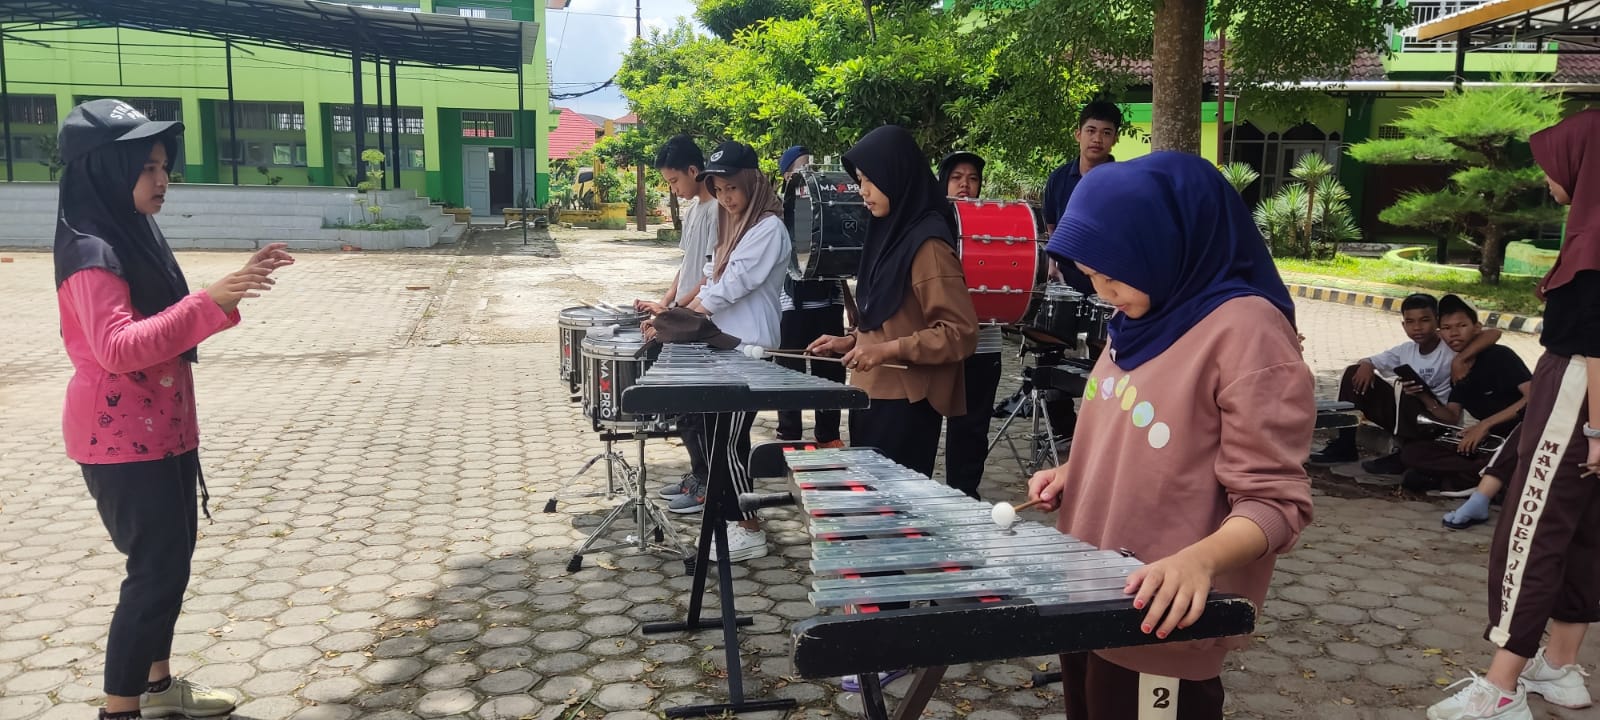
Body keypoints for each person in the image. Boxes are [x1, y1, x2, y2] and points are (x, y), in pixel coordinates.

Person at [1028, 151, 1314, 720]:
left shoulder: (1248, 333)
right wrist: (1078, 473)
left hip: (1159, 617)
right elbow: (1136, 426)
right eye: (1092, 277)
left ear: (1167, 243)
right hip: (1091, 593)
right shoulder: (1139, 316)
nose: (1104, 292)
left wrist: (1198, 564)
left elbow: (1276, 504)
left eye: (1113, 273)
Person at [53, 99, 294, 720]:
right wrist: (206, 303)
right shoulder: (91, 252)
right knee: (152, 576)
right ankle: (120, 709)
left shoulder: (131, 233)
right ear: (106, 170)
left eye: (164, 166)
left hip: (162, 431)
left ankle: (159, 690)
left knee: (170, 569)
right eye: (147, 167)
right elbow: (117, 348)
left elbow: (165, 326)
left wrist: (228, 290)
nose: (163, 180)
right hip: (120, 441)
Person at [1427, 109, 1600, 720]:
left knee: (1530, 533)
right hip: (1585, 400)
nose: (1549, 180)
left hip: (1578, 398)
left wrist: (1596, 429)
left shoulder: (1591, 239)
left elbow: (1594, 343)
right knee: (1583, 532)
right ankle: (1561, 666)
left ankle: (1501, 689)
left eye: (1555, 168)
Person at [808, 125, 978, 477]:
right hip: (870, 395)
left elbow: (959, 333)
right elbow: (890, 317)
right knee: (871, 515)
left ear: (897, 176)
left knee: (897, 519)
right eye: (859, 180)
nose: (863, 192)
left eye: (871, 180)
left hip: (905, 405)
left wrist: (886, 351)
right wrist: (852, 340)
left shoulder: (928, 246)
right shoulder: (888, 235)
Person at [671, 140, 790, 562]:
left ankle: (748, 527)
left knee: (731, 442)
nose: (726, 198)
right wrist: (677, 311)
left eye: (732, 189)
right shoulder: (730, 225)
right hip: (723, 346)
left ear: (753, 183)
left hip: (750, 351)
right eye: (719, 190)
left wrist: (685, 319)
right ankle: (728, 514)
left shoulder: (768, 228)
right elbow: (709, 276)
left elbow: (732, 284)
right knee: (718, 437)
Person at [1309, 293, 1503, 471]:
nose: (1417, 328)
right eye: (1410, 322)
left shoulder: (1451, 345)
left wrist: (1460, 360)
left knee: (1404, 389)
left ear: (1437, 321)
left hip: (1438, 419)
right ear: (1403, 325)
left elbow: (1493, 333)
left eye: (1425, 320)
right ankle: (1344, 446)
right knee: (1355, 372)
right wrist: (1367, 364)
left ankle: (1401, 453)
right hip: (1408, 413)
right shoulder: (1405, 351)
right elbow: (1370, 361)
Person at [639, 136, 723, 512]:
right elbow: (686, 268)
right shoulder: (693, 212)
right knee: (685, 411)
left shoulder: (719, 210)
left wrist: (677, 313)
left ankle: (708, 484)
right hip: (685, 316)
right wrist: (666, 301)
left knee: (699, 409)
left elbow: (709, 275)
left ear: (694, 170)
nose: (673, 189)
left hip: (701, 323)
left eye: (674, 181)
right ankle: (696, 476)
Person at [1399, 294, 1530, 497]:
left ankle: (1473, 479)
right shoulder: (1457, 370)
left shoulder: (1500, 356)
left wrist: (1484, 425)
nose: (1454, 334)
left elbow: (1534, 397)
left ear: (1476, 328)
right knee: (1413, 453)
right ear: (1439, 332)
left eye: (1461, 326)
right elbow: (1451, 416)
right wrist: (1423, 395)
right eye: (1447, 328)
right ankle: (1477, 479)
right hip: (1488, 443)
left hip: (1521, 439)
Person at [936, 150, 1002, 498]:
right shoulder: (929, 221)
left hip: (984, 340)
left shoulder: (995, 222)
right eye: (957, 177)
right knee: (927, 420)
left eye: (973, 178)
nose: (965, 184)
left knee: (973, 424)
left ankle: (965, 493)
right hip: (939, 340)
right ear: (944, 180)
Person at [773, 144, 848, 448]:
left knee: (829, 372)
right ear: (786, 175)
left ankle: (828, 434)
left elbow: (840, 256)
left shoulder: (832, 205)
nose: (806, 174)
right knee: (789, 371)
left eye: (809, 167)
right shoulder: (780, 209)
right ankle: (788, 434)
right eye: (798, 169)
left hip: (828, 303)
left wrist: (848, 302)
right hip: (791, 304)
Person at [1043, 100, 1122, 292]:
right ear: (1078, 134)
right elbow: (1052, 229)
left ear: (1115, 139)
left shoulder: (1123, 182)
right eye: (1091, 130)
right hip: (1066, 285)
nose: (1097, 139)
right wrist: (1052, 266)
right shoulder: (1058, 179)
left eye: (1106, 133)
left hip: (1109, 286)